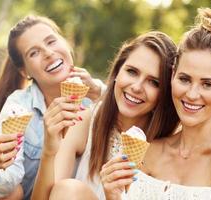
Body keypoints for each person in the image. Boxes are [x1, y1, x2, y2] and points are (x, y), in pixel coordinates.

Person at [101, 4, 211, 200]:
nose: (192, 94)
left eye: (207, 84)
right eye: (185, 79)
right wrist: (112, 196)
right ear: (172, 75)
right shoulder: (152, 151)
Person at [31, 31, 180, 200]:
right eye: (132, 72)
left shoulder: (168, 146)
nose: (137, 87)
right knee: (68, 190)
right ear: (117, 73)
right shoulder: (87, 120)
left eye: (154, 82)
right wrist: (49, 151)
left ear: (165, 94)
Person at [0, 15, 105, 200]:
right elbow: (5, 185)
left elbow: (127, 106)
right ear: (24, 71)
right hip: (20, 196)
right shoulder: (18, 108)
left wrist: (99, 91)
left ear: (65, 43)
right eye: (33, 53)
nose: (48, 53)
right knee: (5, 193)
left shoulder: (94, 99)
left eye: (51, 41)